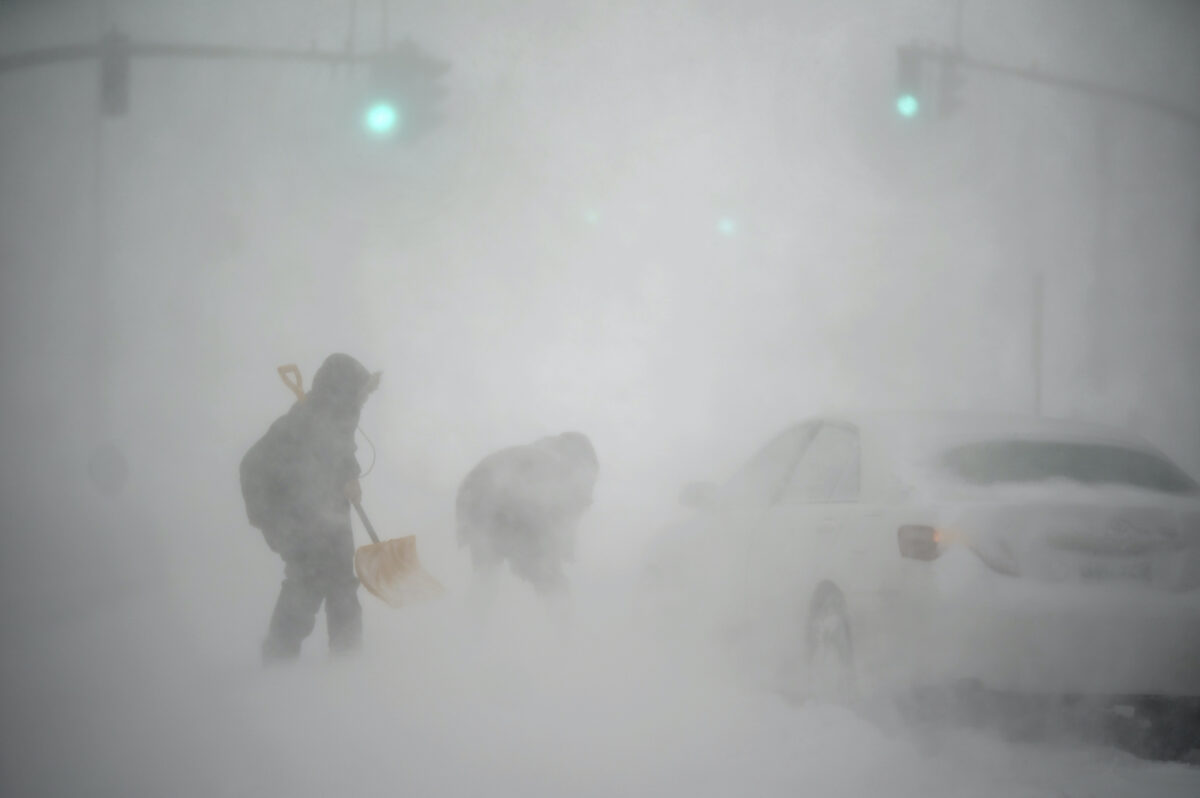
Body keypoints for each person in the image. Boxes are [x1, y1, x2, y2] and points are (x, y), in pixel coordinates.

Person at [240, 353, 380, 662]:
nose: (365, 399)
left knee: (341, 583)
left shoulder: (338, 418)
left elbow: (341, 455)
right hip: (297, 517)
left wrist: (351, 475)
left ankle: (348, 664)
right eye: (361, 391)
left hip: (329, 514)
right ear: (343, 391)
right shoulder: (304, 421)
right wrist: (275, 522)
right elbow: (262, 468)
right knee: (306, 585)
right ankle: (278, 664)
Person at [455, 432, 598, 603]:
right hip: (507, 503)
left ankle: (471, 626)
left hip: (472, 498)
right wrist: (559, 552)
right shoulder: (560, 467)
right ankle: (566, 628)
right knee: (551, 580)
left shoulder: (531, 456)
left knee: (486, 573)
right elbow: (565, 510)